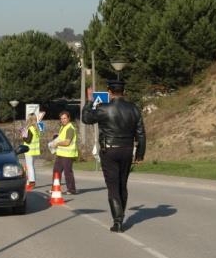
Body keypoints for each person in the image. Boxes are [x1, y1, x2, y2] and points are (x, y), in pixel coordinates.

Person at [82, 80, 146, 233]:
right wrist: (140, 154)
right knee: (122, 184)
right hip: (127, 150)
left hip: (109, 150)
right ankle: (120, 215)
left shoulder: (103, 108)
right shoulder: (134, 109)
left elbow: (86, 118)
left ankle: (118, 220)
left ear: (109, 91)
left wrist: (90, 101)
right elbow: (141, 133)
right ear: (124, 91)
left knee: (112, 186)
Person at [52, 111, 78, 195]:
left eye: (65, 118)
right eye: (61, 118)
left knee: (67, 172)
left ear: (69, 118)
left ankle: (71, 190)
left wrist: (56, 143)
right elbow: (62, 138)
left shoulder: (70, 128)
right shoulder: (63, 127)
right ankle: (55, 188)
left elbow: (67, 142)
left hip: (67, 155)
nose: (63, 120)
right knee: (56, 171)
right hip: (60, 154)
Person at [21, 113, 41, 191]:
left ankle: (31, 182)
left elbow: (28, 140)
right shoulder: (37, 129)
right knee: (31, 166)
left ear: (29, 119)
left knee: (29, 166)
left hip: (29, 150)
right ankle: (31, 181)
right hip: (35, 150)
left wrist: (23, 136)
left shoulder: (30, 128)